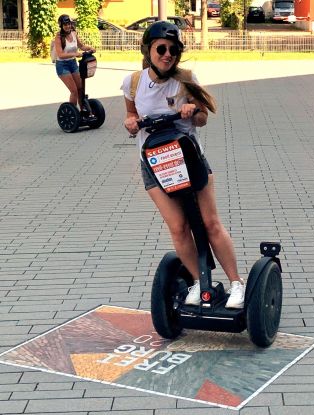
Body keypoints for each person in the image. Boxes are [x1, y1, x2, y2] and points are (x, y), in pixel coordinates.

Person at [121, 21, 245, 308]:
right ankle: (200, 282)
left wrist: (192, 111)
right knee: (178, 227)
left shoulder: (186, 79)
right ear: (148, 50)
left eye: (173, 50)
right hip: (154, 163)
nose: (167, 55)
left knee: (210, 222)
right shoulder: (133, 82)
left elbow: (203, 118)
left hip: (188, 158)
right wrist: (129, 123)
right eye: (161, 49)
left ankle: (237, 283)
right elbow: (130, 116)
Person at [53, 14, 95, 112]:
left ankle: (83, 111)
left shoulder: (74, 33)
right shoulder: (58, 37)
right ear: (61, 26)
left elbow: (81, 46)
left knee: (80, 89)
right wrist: (75, 54)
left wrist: (90, 48)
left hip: (72, 63)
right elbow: (60, 54)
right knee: (74, 91)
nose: (68, 26)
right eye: (65, 25)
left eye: (69, 24)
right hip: (62, 66)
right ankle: (73, 113)